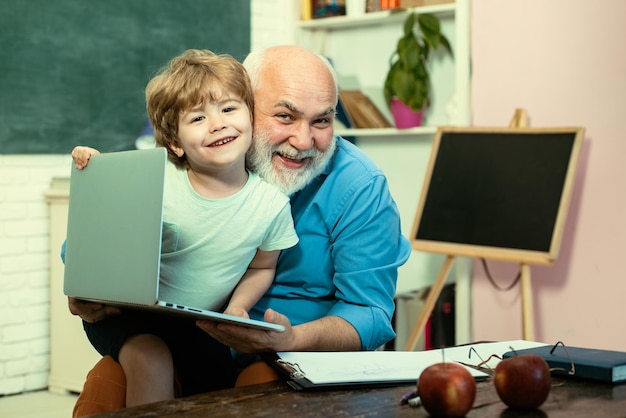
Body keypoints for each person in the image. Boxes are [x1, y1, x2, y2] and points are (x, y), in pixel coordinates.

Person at [68, 45, 412, 417]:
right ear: (248, 102)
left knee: (257, 394)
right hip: (173, 337)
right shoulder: (203, 152)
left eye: (322, 121)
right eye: (284, 116)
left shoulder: (360, 186)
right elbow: (97, 240)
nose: (303, 140)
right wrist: (90, 291)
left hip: (280, 355)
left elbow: (371, 313)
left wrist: (294, 338)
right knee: (107, 386)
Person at [64, 48, 298, 408]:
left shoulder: (271, 204)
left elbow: (262, 266)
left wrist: (238, 306)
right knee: (151, 359)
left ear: (251, 118)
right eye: (198, 117)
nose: (218, 123)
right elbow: (102, 226)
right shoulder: (158, 181)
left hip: (198, 324)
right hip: (131, 313)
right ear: (175, 142)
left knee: (215, 385)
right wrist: (95, 169)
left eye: (229, 108)